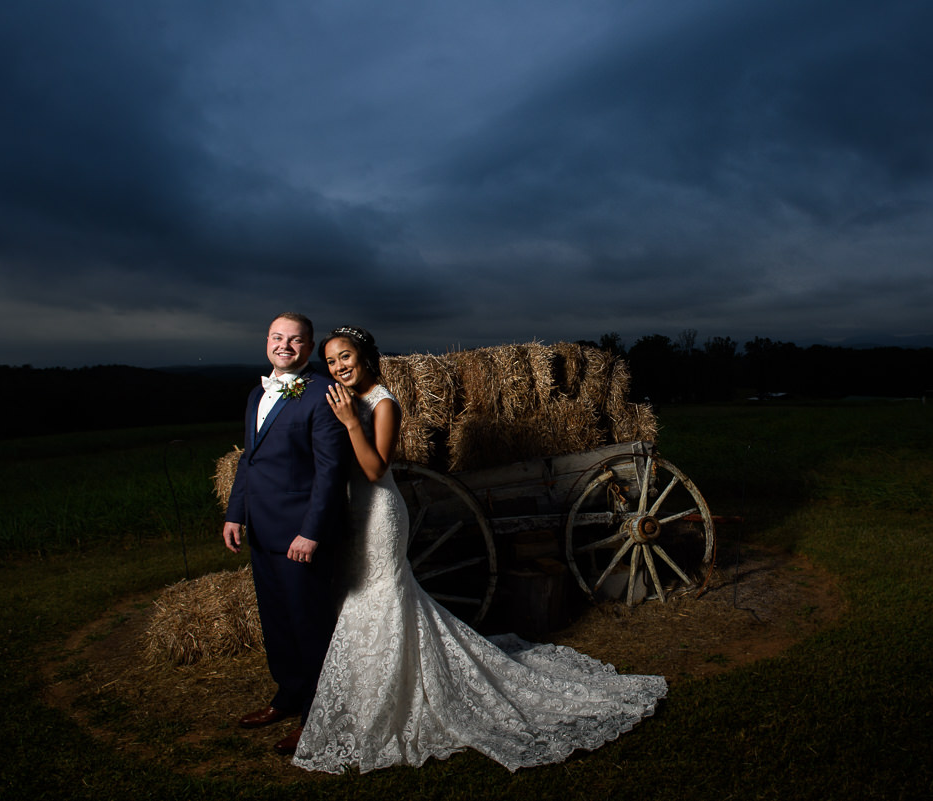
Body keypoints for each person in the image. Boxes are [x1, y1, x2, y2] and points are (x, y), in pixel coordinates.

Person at [293, 326, 667, 773]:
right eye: (331, 360)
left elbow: (374, 469)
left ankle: (393, 700)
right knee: (355, 599)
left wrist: (352, 423)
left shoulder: (383, 403)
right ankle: (366, 692)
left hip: (379, 514)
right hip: (352, 516)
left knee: (383, 599)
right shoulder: (341, 400)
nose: (338, 366)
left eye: (346, 356)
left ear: (366, 357)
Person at [222, 313, 351, 755]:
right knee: (276, 621)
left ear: (309, 347)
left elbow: (331, 472)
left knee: (308, 625)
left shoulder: (323, 394)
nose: (285, 346)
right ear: (267, 342)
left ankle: (318, 716)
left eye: (295, 340)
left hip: (299, 535)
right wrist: (234, 513)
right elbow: (249, 459)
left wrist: (310, 533)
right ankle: (288, 695)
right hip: (261, 529)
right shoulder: (257, 392)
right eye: (278, 337)